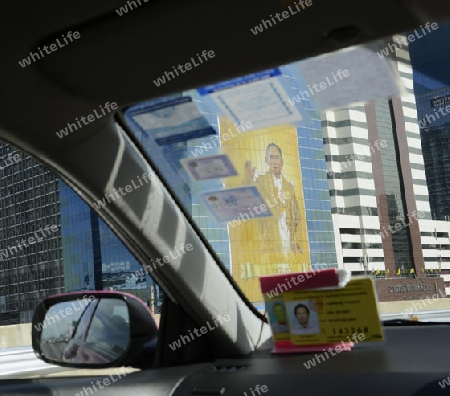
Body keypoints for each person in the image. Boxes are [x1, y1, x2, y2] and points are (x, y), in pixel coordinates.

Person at [244, 143, 302, 258]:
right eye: (271, 158)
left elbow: (298, 218)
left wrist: (295, 239)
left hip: (288, 244)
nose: (274, 162)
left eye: (277, 158)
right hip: (269, 244)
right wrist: (248, 182)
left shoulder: (289, 187)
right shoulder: (260, 181)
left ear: (282, 161)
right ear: (266, 160)